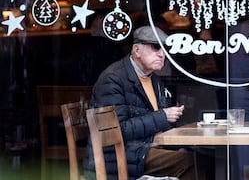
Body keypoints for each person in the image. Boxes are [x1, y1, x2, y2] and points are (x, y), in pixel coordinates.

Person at [83, 25, 208, 180]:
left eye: (164, 49)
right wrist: (163, 116)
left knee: (199, 156)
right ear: (137, 50)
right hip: (118, 158)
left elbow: (160, 122)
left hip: (142, 151)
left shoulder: (152, 78)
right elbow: (115, 132)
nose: (162, 54)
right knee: (193, 163)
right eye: (156, 47)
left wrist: (176, 145)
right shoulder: (113, 79)